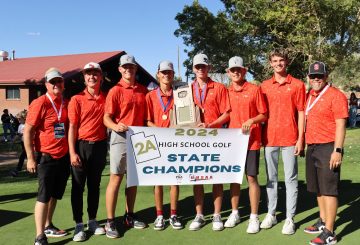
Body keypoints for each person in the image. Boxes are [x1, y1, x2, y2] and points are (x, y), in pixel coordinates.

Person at [260, 49, 305, 235]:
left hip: (290, 138)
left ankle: (289, 218)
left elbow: (302, 112)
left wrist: (301, 138)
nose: (278, 63)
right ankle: (271, 213)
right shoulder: (263, 86)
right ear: (270, 63)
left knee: (290, 179)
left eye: (281, 60)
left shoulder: (297, 85)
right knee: (270, 179)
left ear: (287, 62)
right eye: (275, 61)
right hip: (269, 138)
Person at [303, 62, 348, 245]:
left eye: (319, 76)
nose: (316, 79)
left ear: (326, 77)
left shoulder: (336, 95)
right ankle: (322, 221)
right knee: (318, 188)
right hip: (312, 146)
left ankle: (330, 232)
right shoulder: (310, 96)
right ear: (308, 77)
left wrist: (337, 150)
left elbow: (341, 124)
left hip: (328, 146)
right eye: (313, 76)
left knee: (329, 190)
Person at [24, 68, 70, 245]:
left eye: (59, 81)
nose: (57, 84)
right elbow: (28, 131)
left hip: (63, 156)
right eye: (53, 82)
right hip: (46, 156)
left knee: (55, 195)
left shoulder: (64, 103)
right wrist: (30, 157)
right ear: (46, 85)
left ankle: (48, 225)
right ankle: (39, 236)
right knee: (43, 196)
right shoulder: (40, 103)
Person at [104, 54, 147, 239]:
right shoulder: (115, 90)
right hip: (120, 137)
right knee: (116, 177)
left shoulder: (143, 90)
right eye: (125, 67)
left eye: (132, 67)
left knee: (133, 179)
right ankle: (110, 221)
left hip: (139, 139)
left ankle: (129, 215)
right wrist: (115, 126)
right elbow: (106, 118)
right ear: (120, 69)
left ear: (135, 69)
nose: (129, 69)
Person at [188, 53, 230, 231]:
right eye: (197, 66)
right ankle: (199, 215)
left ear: (208, 68)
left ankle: (217, 214)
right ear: (193, 69)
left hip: (215, 137)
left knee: (216, 176)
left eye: (203, 66)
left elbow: (227, 113)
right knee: (197, 177)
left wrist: (211, 125)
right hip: (194, 139)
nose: (200, 69)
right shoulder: (185, 90)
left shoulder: (219, 87)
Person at [225, 56, 267, 233]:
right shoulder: (226, 91)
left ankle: (254, 216)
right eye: (232, 70)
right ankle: (234, 212)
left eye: (239, 70)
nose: (236, 72)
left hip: (251, 142)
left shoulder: (254, 89)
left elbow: (264, 114)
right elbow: (225, 115)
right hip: (233, 142)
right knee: (234, 178)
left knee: (251, 178)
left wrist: (251, 119)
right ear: (228, 72)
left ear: (245, 71)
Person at [68, 62, 107, 241]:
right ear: (84, 78)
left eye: (95, 73)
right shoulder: (76, 99)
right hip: (80, 146)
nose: (91, 76)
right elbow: (73, 127)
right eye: (88, 73)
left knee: (94, 187)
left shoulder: (106, 98)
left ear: (100, 76)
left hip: (99, 146)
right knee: (78, 187)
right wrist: (72, 152)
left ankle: (92, 220)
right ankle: (78, 225)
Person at [146, 61, 183, 231]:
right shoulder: (150, 96)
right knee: (158, 180)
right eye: (163, 72)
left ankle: (173, 214)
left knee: (174, 179)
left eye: (169, 72)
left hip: (175, 142)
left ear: (173, 74)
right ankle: (160, 215)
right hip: (157, 141)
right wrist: (162, 131)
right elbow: (147, 121)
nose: (166, 75)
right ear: (158, 74)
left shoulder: (181, 94)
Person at [10, 110, 27, 177]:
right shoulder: (20, 126)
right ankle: (19, 169)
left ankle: (18, 169)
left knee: (23, 156)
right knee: (24, 155)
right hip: (23, 143)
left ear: (24, 118)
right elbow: (18, 135)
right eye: (18, 119)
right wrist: (13, 141)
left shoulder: (28, 124)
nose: (18, 120)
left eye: (20, 119)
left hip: (29, 143)